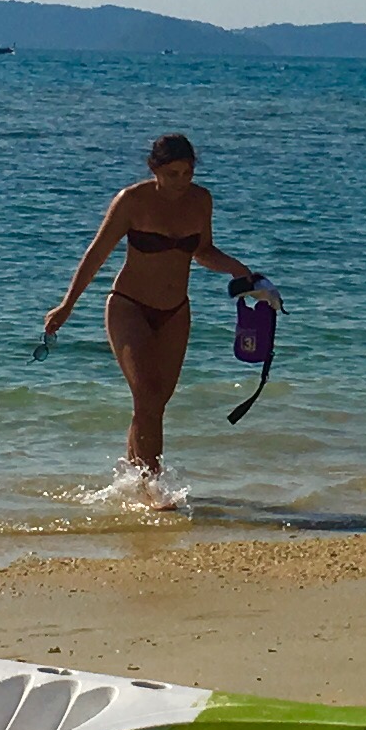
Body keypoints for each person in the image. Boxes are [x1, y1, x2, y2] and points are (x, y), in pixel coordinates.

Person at [40, 134, 273, 499]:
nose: (182, 182)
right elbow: (97, 253)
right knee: (148, 396)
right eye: (173, 174)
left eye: (188, 173)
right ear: (154, 169)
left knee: (153, 404)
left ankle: (133, 479)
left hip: (176, 312)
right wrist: (67, 305)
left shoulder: (200, 200)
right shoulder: (132, 201)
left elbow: (203, 251)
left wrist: (241, 272)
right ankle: (153, 486)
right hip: (128, 306)